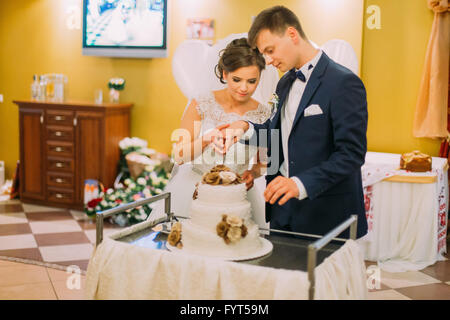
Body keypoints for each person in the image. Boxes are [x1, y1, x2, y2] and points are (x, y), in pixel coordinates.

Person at [218, 6, 368, 239]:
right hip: (282, 211)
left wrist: (300, 184)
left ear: (292, 34)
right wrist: (246, 128)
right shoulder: (285, 82)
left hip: (325, 216)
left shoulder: (344, 83)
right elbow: (278, 135)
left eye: (270, 50)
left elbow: (351, 154)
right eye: (263, 54)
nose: (267, 61)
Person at [149, 38, 271, 221]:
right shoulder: (202, 103)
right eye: (236, 80)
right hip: (194, 190)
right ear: (224, 74)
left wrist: (252, 174)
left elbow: (262, 164)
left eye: (252, 81)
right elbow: (180, 156)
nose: (244, 88)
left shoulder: (263, 114)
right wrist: (206, 140)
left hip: (237, 197)